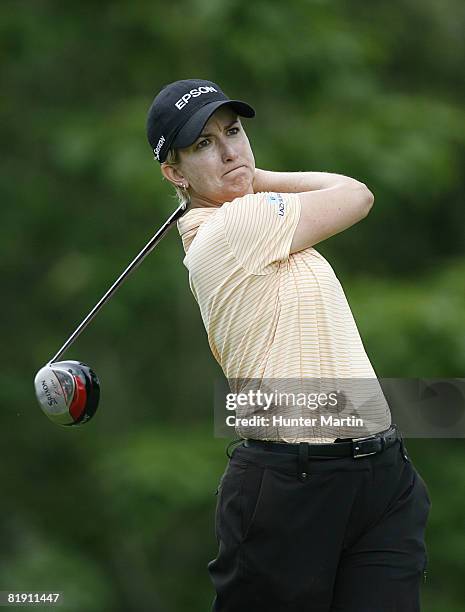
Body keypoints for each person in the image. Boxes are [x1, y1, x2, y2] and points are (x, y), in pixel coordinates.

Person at [146, 79, 431, 612]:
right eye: (204, 144)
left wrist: (244, 176)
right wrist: (254, 180)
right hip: (292, 489)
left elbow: (346, 190)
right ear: (174, 172)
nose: (230, 150)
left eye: (233, 132)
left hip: (381, 478)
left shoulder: (259, 218)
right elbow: (356, 194)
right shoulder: (234, 226)